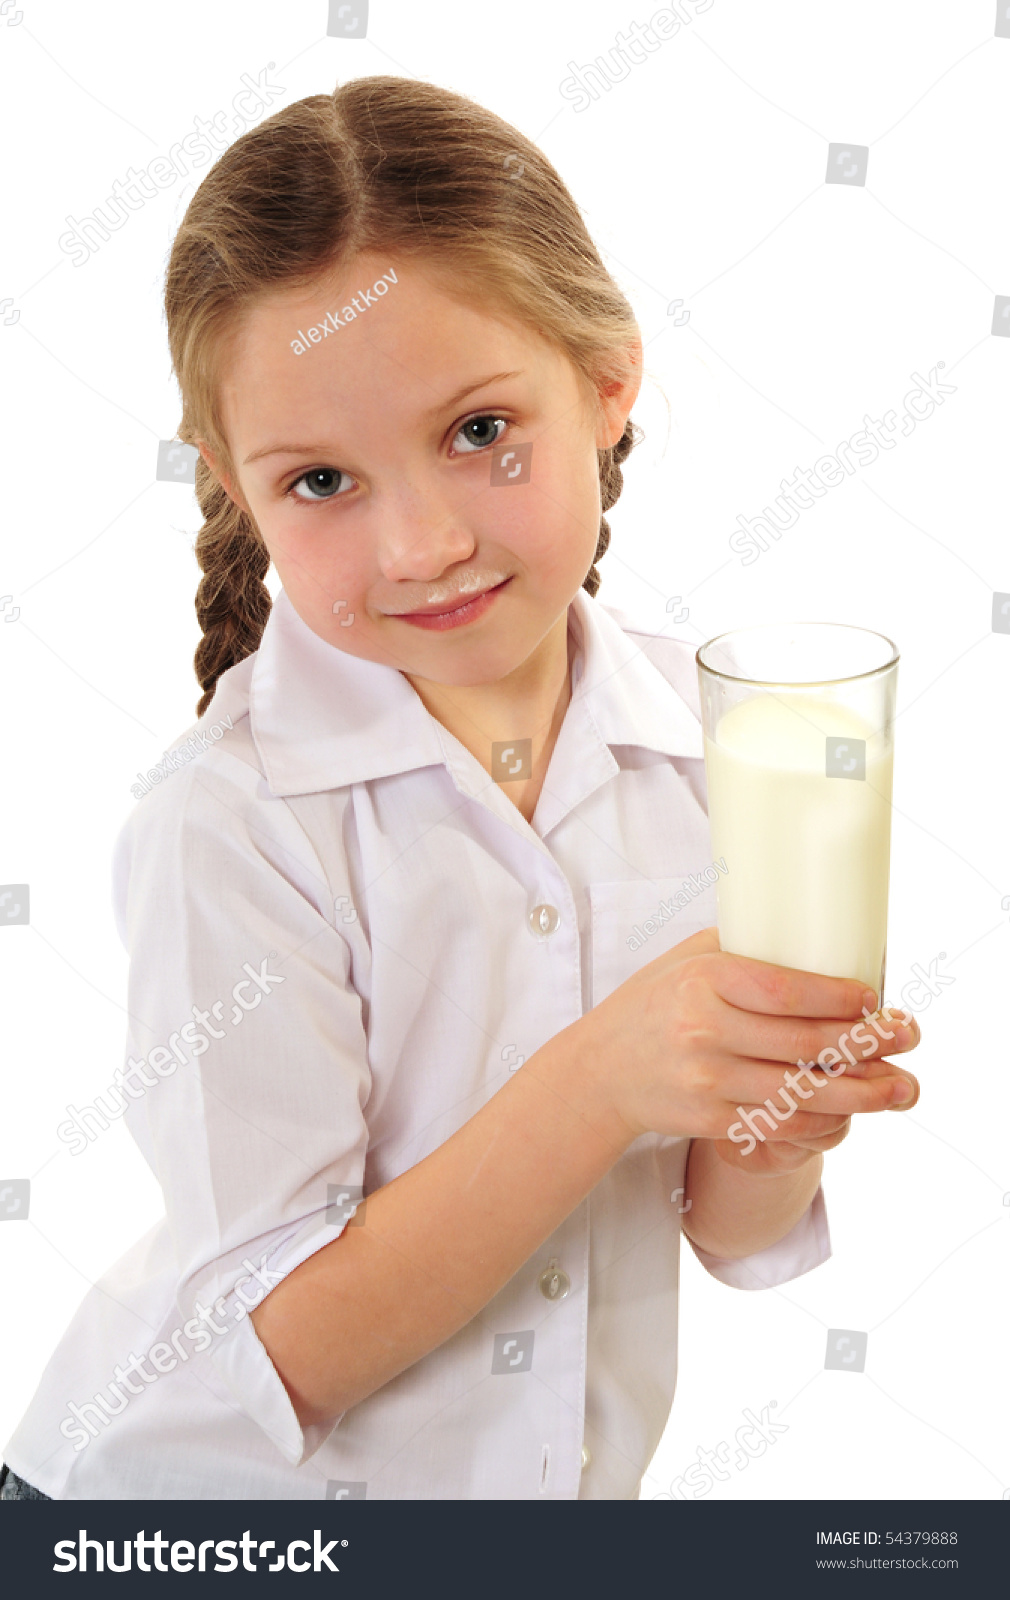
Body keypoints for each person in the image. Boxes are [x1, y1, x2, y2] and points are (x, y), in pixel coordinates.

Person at [2, 75, 920, 1502]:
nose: (422, 543)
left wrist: (779, 1100)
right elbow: (283, 1352)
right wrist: (608, 1072)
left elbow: (733, 1236)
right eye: (321, 481)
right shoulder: (233, 822)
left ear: (608, 385)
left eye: (482, 431)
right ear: (240, 494)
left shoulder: (720, 741)